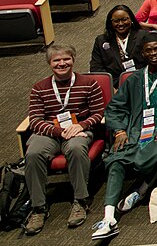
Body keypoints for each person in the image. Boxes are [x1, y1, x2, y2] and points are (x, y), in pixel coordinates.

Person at [90, 33, 157, 241]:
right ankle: (109, 217)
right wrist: (120, 131)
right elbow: (115, 107)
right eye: (149, 50)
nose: (154, 53)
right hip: (137, 133)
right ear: (142, 53)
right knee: (117, 160)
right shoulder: (135, 78)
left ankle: (142, 187)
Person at [23, 45, 105, 236]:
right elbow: (34, 120)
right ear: (49, 64)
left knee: (76, 149)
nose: (62, 64)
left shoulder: (89, 83)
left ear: (73, 59)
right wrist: (59, 132)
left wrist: (82, 126)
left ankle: (80, 200)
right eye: (56, 61)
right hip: (50, 133)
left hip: (78, 131)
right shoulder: (39, 88)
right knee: (33, 153)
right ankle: (38, 208)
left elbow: (98, 112)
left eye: (65, 59)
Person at [90, 5, 146, 87]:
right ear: (110, 22)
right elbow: (96, 68)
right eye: (116, 21)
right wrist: (111, 88)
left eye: (124, 19)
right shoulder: (101, 40)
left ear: (131, 19)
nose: (120, 24)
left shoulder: (143, 36)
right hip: (115, 85)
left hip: (141, 82)